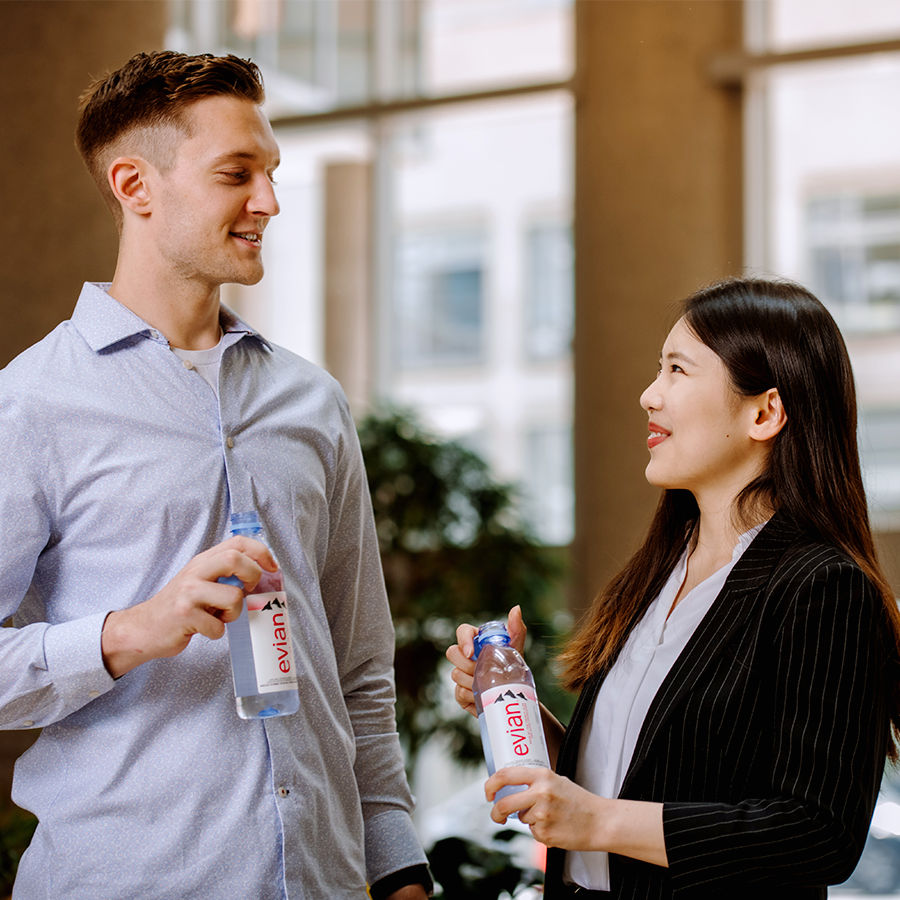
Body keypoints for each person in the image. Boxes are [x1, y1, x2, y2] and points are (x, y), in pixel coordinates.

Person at [0, 50, 431, 900]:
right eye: (238, 173)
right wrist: (130, 631)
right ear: (135, 185)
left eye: (271, 173)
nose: (267, 202)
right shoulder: (29, 405)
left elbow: (358, 667)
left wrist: (398, 864)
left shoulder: (313, 400)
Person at [447, 277, 900, 899]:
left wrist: (598, 820)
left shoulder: (824, 588)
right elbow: (628, 776)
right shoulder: (660, 569)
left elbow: (818, 832)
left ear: (764, 413)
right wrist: (516, 706)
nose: (648, 395)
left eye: (677, 371)